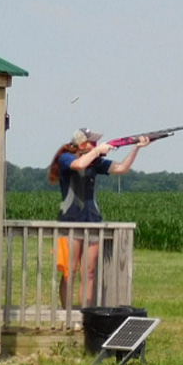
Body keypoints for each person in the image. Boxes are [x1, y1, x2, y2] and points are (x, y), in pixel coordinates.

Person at [50, 127, 149, 307]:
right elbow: (78, 165)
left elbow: (122, 168)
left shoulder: (95, 162)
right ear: (80, 143)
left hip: (93, 221)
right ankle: (66, 312)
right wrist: (97, 151)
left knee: (89, 272)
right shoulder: (66, 158)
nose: (95, 144)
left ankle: (85, 312)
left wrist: (137, 148)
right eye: (91, 141)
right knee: (69, 272)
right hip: (70, 222)